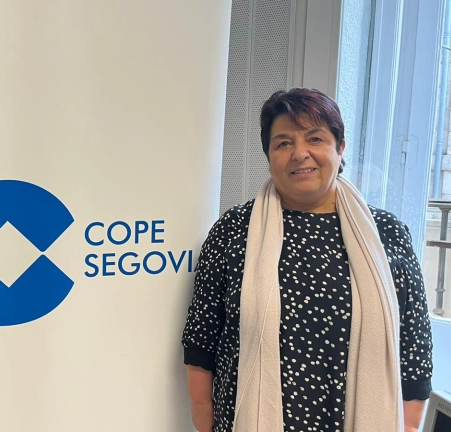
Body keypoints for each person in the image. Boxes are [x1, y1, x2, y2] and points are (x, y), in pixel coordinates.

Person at [181, 88, 433, 432]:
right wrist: (203, 418)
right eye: (283, 143)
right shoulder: (234, 229)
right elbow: (202, 339)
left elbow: (414, 349)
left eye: (315, 138)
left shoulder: (386, 233)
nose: (300, 154)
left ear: (340, 148)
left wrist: (409, 426)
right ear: (269, 155)